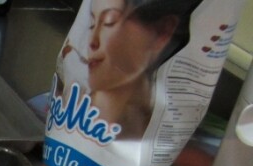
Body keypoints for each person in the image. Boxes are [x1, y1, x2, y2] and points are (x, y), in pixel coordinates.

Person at [85, 0, 199, 139]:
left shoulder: (154, 134)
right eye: (91, 23)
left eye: (109, 21)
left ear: (163, 32)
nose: (92, 40)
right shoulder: (66, 101)